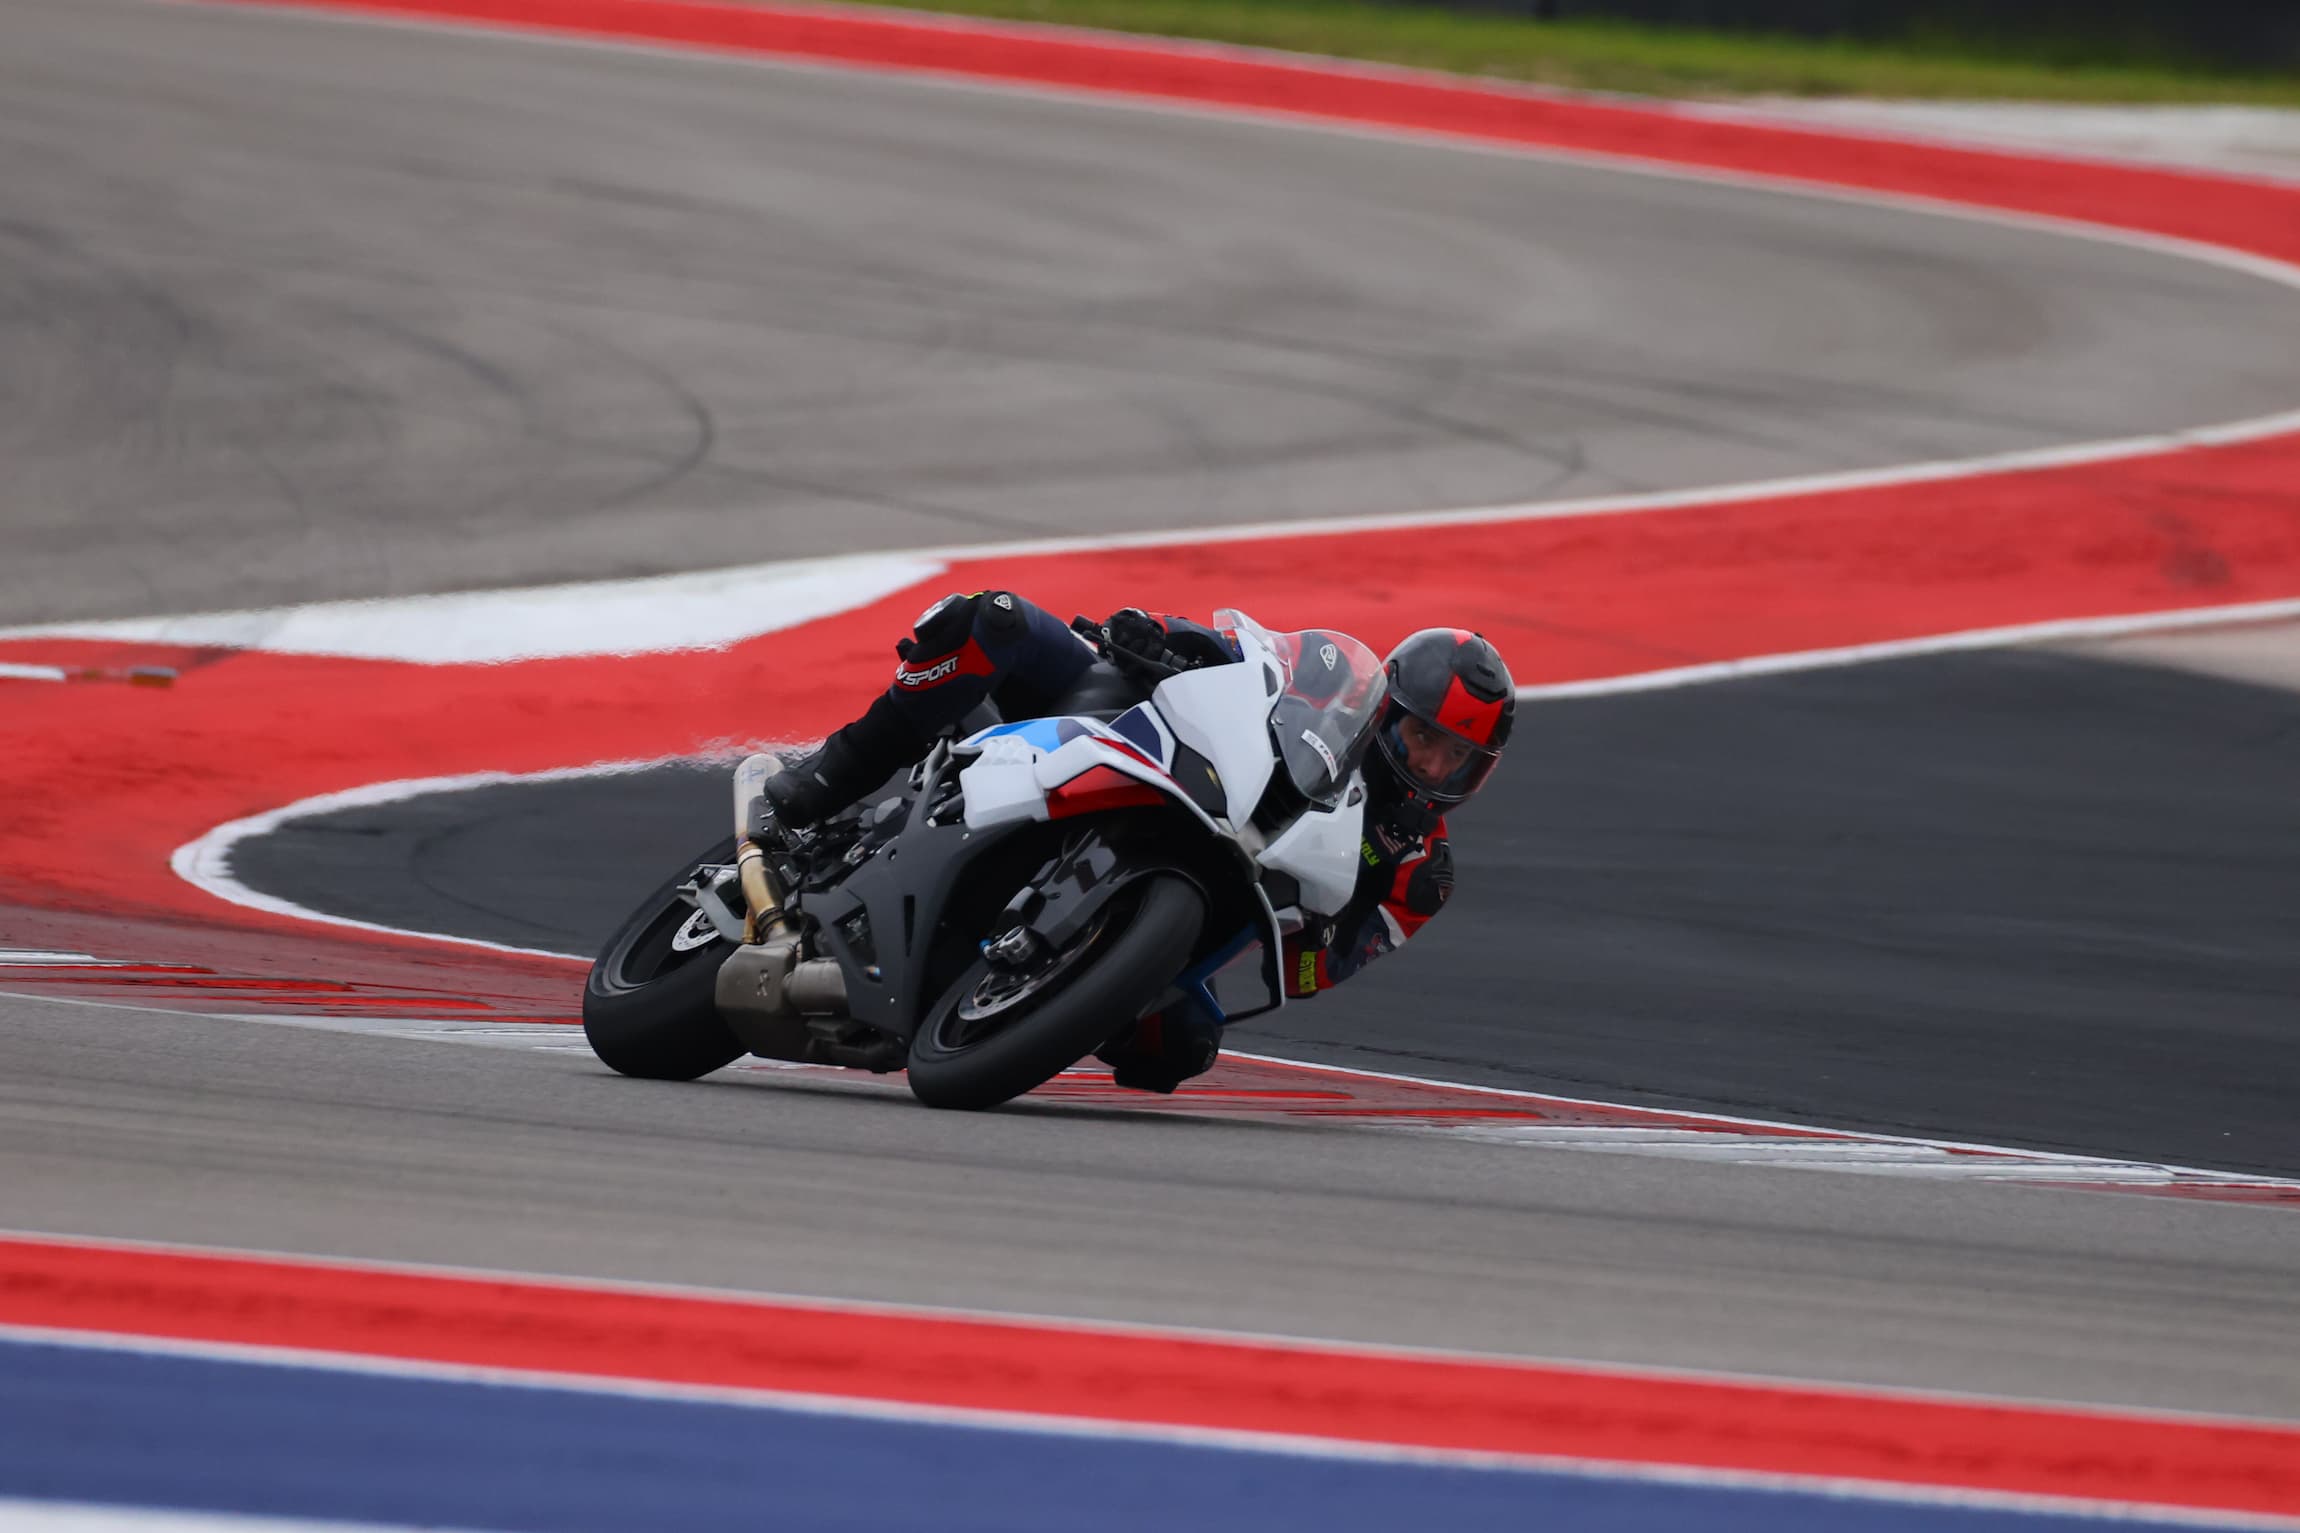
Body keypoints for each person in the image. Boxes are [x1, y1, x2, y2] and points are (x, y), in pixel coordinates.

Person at [759, 590, 1515, 1093]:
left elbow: (1324, 967)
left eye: (1458, 758)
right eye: (1424, 736)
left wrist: (1314, 923)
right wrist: (1160, 635)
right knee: (994, 620)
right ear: (1388, 709)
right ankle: (832, 777)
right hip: (1147, 747)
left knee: (1177, 1051)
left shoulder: (1420, 870)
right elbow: (1247, 654)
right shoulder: (1325, 688)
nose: (1432, 765)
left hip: (1216, 902)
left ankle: (1040, 994)